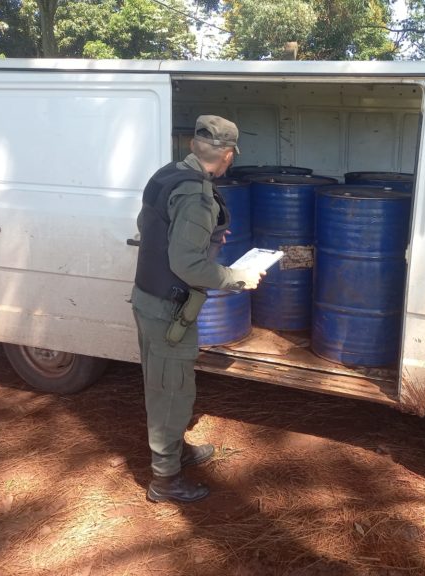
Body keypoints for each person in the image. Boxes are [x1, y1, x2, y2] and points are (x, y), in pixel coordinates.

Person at [131, 115, 264, 503]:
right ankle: (165, 479)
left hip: (148, 297)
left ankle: (174, 451)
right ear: (227, 155)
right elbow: (187, 264)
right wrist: (238, 277)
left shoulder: (168, 174)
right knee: (171, 393)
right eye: (231, 156)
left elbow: (149, 225)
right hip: (168, 309)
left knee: (162, 384)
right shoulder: (196, 197)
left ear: (194, 146)